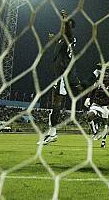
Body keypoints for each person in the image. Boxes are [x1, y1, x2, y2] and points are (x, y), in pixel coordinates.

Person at [39, 10, 82, 146]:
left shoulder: (69, 38)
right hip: (59, 74)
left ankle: (53, 134)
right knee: (54, 105)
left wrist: (65, 19)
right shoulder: (62, 38)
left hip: (63, 75)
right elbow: (60, 36)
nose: (63, 26)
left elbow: (67, 32)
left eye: (65, 25)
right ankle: (52, 133)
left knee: (56, 103)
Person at [84, 64, 109, 145]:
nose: (105, 75)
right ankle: (95, 132)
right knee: (89, 116)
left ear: (108, 75)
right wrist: (88, 98)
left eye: (107, 74)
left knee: (105, 124)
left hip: (105, 106)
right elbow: (92, 91)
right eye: (104, 74)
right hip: (96, 104)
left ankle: (103, 141)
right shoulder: (97, 82)